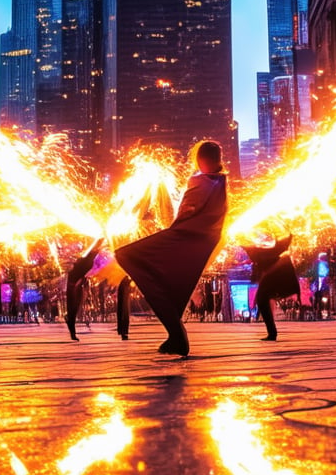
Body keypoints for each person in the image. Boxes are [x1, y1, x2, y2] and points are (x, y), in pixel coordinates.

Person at [115, 140, 228, 358]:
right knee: (177, 288)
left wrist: (169, 236)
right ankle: (174, 335)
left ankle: (177, 333)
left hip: (186, 237)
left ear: (200, 159)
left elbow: (186, 211)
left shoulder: (201, 181)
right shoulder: (221, 183)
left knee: (127, 255)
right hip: (203, 242)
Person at [243, 234, 297, 341]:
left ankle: (272, 333)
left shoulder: (265, 250)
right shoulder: (262, 250)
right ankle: (272, 333)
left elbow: (284, 243)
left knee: (262, 300)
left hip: (272, 278)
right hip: (271, 278)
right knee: (261, 301)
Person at [65, 239, 104, 341]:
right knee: (73, 309)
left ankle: (71, 326)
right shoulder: (84, 262)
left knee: (75, 308)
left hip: (77, 286)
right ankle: (72, 330)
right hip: (73, 286)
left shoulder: (87, 261)